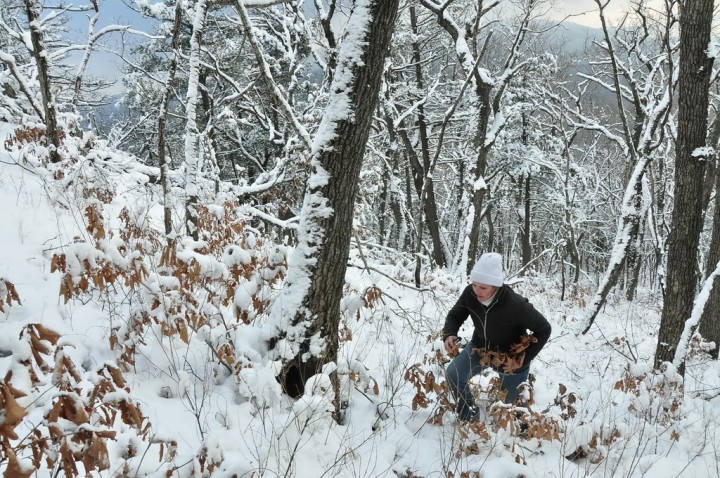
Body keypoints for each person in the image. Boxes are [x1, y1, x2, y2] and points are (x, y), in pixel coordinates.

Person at [442, 252, 551, 422]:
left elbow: (544, 329)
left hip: (510, 357)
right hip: (480, 347)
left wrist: (521, 359)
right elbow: (455, 315)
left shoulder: (515, 304)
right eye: (474, 285)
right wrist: (449, 333)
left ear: (496, 286)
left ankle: (519, 431)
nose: (477, 291)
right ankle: (468, 417)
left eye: (483, 287)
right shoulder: (470, 294)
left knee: (514, 409)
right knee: (453, 374)